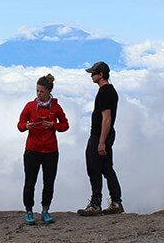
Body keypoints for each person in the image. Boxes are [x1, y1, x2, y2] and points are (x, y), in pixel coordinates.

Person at [17, 74, 69, 225]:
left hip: (51, 151)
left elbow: (65, 125)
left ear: (49, 91)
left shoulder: (56, 108)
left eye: (41, 91)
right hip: (33, 149)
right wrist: (26, 126)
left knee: (49, 181)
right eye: (37, 91)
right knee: (30, 181)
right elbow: (20, 124)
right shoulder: (30, 106)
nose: (38, 94)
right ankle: (29, 211)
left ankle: (45, 210)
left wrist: (53, 125)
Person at [78, 62, 124, 216]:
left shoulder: (104, 93)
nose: (91, 76)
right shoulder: (111, 91)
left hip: (100, 135)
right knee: (107, 168)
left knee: (94, 168)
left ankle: (95, 204)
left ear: (101, 75)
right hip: (108, 134)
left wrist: (101, 142)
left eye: (93, 73)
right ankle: (116, 202)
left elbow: (106, 118)